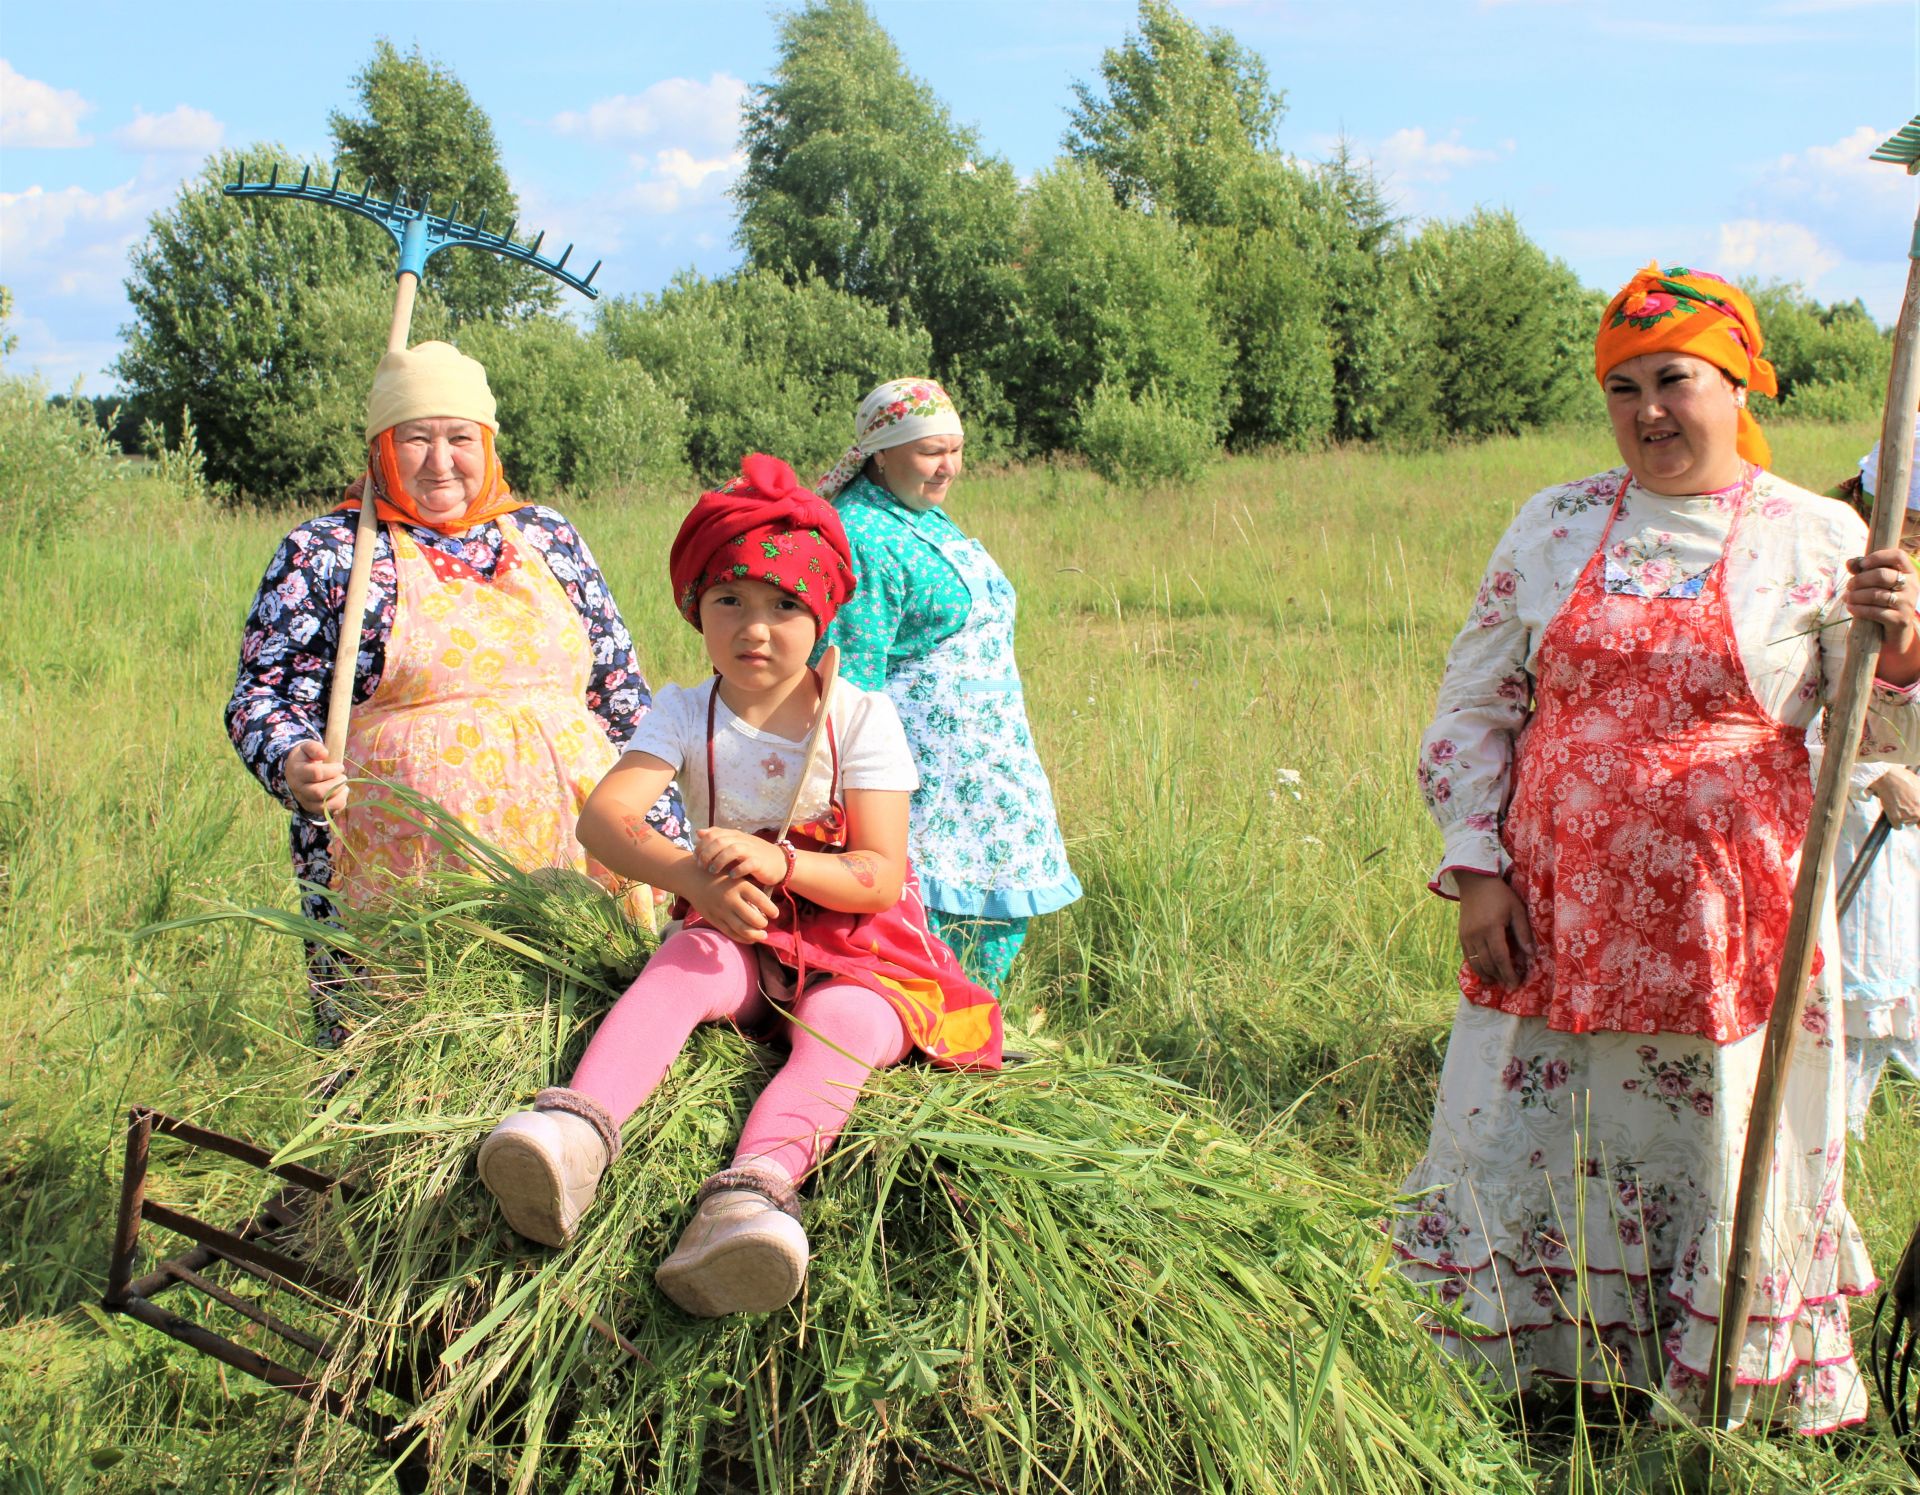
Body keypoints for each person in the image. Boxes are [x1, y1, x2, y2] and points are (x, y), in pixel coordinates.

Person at [1393, 264, 1920, 1434]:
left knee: (1718, 1126)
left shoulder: (1823, 533)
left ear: (1739, 384)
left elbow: (1875, 738)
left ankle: (1721, 1383)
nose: (1649, 412)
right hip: (1555, 911)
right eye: (1622, 389)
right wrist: (1477, 865)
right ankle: (1545, 1369)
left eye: (1674, 380)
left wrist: (1903, 638)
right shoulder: (1554, 520)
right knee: (1543, 1126)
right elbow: (1473, 702)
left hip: (1733, 923)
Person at [477, 454, 1001, 1319]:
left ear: (823, 614)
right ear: (696, 609)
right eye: (730, 601)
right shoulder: (684, 711)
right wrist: (693, 879)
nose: (755, 628)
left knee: (846, 1025)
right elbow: (605, 821)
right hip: (740, 924)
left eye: (785, 605)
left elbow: (876, 873)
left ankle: (750, 1200)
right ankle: (574, 1135)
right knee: (687, 960)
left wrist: (784, 862)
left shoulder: (861, 718)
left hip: (859, 945)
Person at [227, 341, 684, 1046]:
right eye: (416, 438)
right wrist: (293, 761)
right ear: (383, 446)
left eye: (459, 438)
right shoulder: (328, 552)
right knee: (415, 1067)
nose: (441, 461)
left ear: (489, 442)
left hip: (578, 861)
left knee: (580, 1048)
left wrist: (669, 838)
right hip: (401, 883)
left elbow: (622, 695)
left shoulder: (549, 536)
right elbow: (263, 692)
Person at [812, 379, 1079, 993]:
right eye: (932, 451)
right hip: (930, 777)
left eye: (956, 450)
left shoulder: (920, 513)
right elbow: (851, 678)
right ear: (881, 451)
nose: (949, 467)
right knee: (931, 923)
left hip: (986, 766)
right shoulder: (864, 536)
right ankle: (928, 1035)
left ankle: (977, 1022)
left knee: (994, 911)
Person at [1816, 424, 1920, 1132]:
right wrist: (1876, 777)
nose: (1909, 530)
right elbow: (1795, 716)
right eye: (1903, 514)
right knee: (1849, 982)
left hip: (1908, 820)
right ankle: (1837, 1135)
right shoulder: (1826, 566)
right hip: (1843, 815)